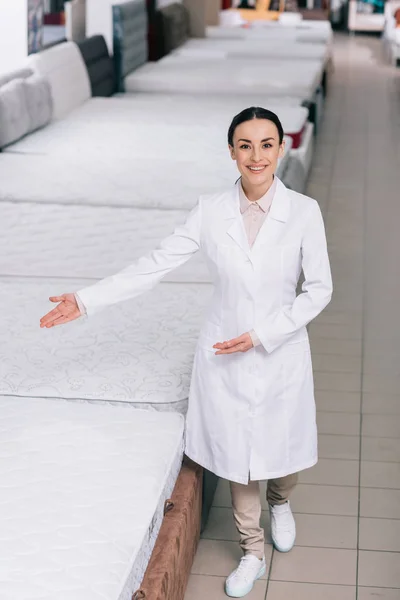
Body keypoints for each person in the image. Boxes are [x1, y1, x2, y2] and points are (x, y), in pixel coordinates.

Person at [40, 107, 332, 599]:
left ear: (282, 148)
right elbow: (152, 266)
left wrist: (264, 333)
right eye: (245, 145)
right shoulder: (210, 210)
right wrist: (87, 300)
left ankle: (281, 501)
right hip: (225, 350)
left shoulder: (304, 212)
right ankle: (252, 550)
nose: (256, 156)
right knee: (239, 456)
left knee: (284, 451)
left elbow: (319, 290)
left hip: (279, 349)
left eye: (266, 144)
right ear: (231, 151)